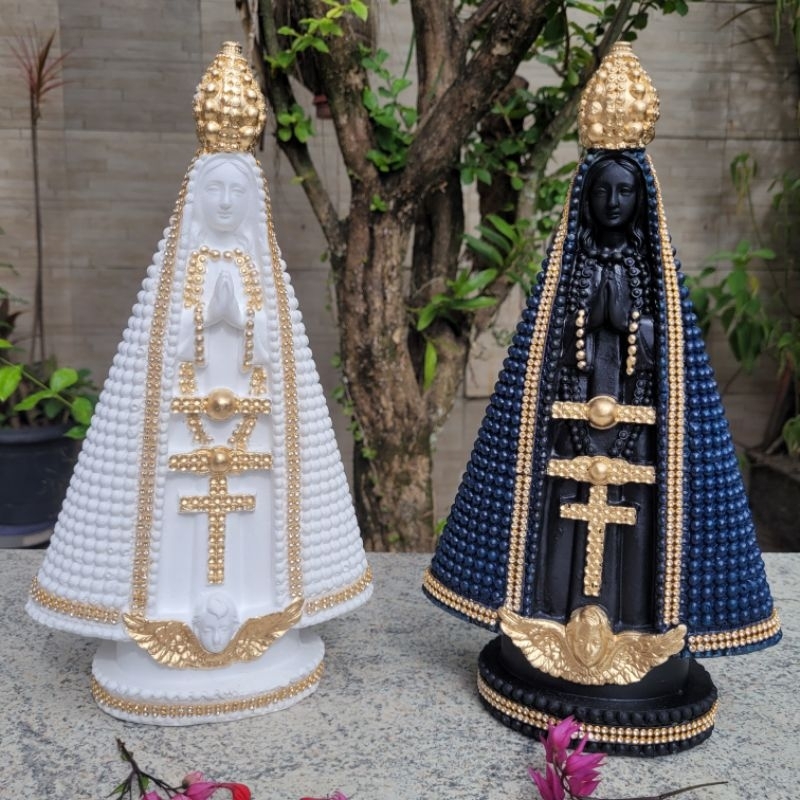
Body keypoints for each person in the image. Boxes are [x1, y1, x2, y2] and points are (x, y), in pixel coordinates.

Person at [424, 42, 780, 752]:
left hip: (638, 437)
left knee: (639, 542)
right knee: (557, 531)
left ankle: (635, 637)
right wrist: (583, 334)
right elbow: (550, 353)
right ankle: (553, 626)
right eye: (601, 192)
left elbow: (665, 355)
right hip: (569, 431)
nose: (613, 204)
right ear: (585, 198)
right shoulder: (571, 268)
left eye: (624, 193)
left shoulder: (653, 274)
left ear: (641, 198)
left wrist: (638, 329)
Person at [27, 43, 372, 723]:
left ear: (252, 199)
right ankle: (167, 623)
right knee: (171, 537)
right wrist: (206, 317)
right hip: (182, 436)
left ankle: (258, 621)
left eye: (235, 191)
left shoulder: (259, 268)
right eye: (213, 189)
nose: (223, 201)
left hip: (253, 439)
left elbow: (272, 349)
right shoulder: (177, 271)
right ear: (196, 194)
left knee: (256, 532)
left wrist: (239, 318)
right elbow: (165, 347)